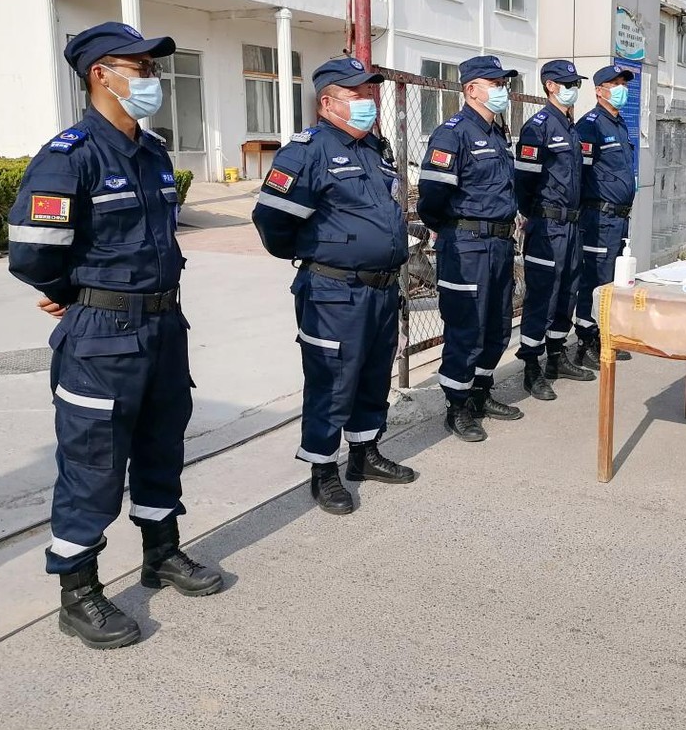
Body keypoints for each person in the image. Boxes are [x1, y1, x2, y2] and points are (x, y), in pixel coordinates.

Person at [7, 22, 222, 650]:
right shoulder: (69, 155)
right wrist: (78, 293)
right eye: (141, 68)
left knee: (162, 445)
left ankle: (162, 552)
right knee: (93, 464)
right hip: (101, 336)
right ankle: (78, 592)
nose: (151, 80)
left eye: (153, 70)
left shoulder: (153, 152)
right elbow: (32, 253)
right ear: (102, 73)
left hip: (162, 326)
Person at [252, 57, 417, 515]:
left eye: (370, 93)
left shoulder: (372, 149)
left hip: (380, 289)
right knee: (331, 382)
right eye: (357, 94)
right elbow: (271, 220)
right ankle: (323, 471)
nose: (368, 102)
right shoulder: (305, 152)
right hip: (332, 293)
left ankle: (364, 455)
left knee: (371, 374)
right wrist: (320, 255)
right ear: (328, 103)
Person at [417, 55, 524, 441]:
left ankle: (481, 393)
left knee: (496, 323)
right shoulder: (453, 133)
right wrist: (451, 229)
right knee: (468, 326)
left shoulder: (498, 133)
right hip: (466, 245)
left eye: (503, 83)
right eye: (494, 84)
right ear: (471, 89)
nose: (502, 90)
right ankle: (457, 407)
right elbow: (431, 196)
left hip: (498, 243)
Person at [513, 60, 597, 399]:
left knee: (569, 291)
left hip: (573, 225)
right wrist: (532, 214)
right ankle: (531, 366)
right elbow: (524, 180)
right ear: (549, 85)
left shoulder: (569, 126)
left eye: (575, 82)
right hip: (547, 225)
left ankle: (556, 356)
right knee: (542, 296)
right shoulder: (539, 127)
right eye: (566, 83)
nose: (572, 88)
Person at [573, 64, 636, 368]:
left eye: (623, 83)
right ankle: (586, 340)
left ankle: (605, 335)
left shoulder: (619, 124)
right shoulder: (591, 125)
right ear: (599, 90)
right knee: (594, 280)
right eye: (615, 84)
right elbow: (581, 173)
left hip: (619, 218)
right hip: (598, 217)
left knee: (612, 280)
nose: (622, 88)